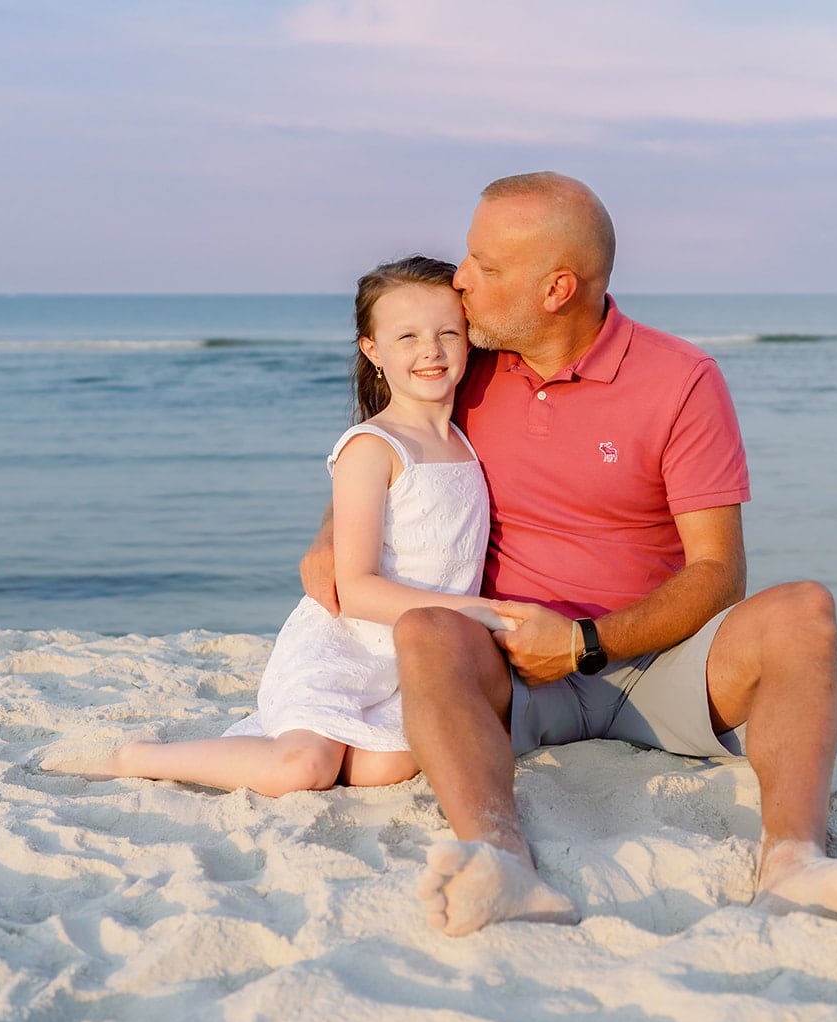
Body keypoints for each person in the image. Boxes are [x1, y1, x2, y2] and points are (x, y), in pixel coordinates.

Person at [302, 173, 837, 936]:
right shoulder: (469, 362)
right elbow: (387, 441)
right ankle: (502, 863)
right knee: (427, 630)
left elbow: (719, 572)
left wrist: (584, 641)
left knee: (805, 610)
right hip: (514, 668)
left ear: (556, 288)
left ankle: (795, 862)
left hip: (660, 663)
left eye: (485, 266)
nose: (461, 280)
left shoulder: (681, 380)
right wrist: (331, 529)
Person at [45, 255, 508, 795]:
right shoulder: (373, 447)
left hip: (412, 659)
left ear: (468, 339)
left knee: (383, 769)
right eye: (406, 336)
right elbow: (355, 589)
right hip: (347, 649)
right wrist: (481, 613)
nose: (431, 350)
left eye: (447, 332)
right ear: (373, 351)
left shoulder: (466, 438)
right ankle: (138, 756)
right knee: (303, 770)